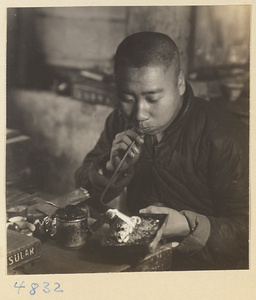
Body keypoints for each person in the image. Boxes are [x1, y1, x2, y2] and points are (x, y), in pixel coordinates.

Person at [75, 32, 249, 270]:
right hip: (137, 260)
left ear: (179, 82)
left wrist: (189, 225)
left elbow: (247, 232)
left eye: (153, 98)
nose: (139, 114)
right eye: (127, 98)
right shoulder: (119, 121)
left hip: (203, 271)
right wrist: (110, 169)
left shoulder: (222, 135)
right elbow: (81, 189)